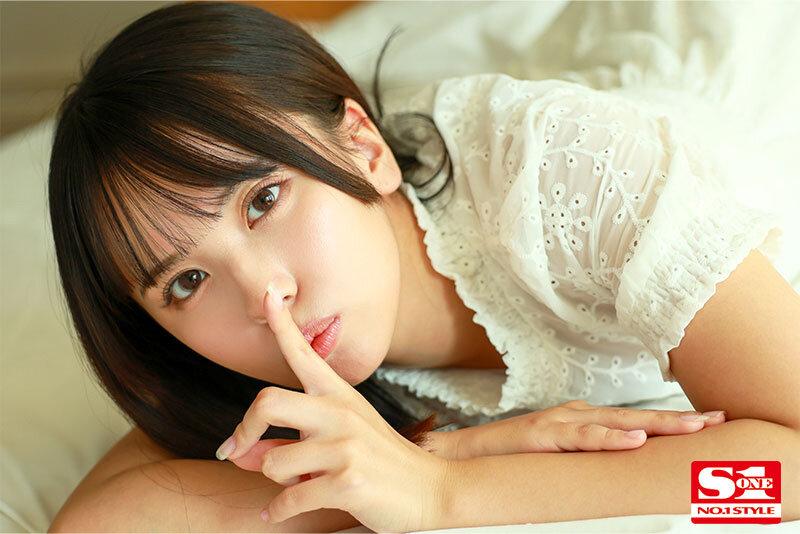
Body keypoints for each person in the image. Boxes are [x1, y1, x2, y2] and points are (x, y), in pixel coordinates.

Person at [47, 2, 799, 532]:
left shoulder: (567, 168)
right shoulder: (245, 367)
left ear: (363, 148)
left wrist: (447, 492)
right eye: (186, 281)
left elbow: (789, 475)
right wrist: (430, 456)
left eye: (263, 200)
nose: (265, 295)